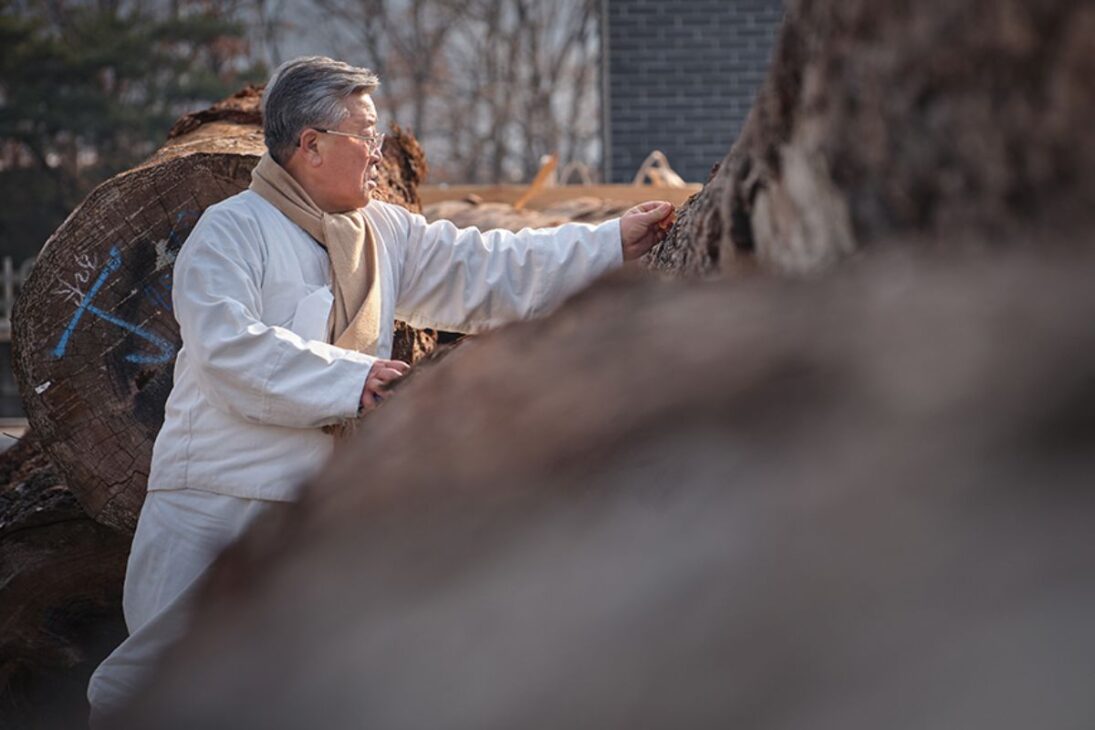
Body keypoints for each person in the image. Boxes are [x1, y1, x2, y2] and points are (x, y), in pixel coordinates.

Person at [86, 56, 675, 724]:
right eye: (365, 134)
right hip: (217, 507)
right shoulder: (230, 231)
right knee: (166, 689)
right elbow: (230, 350)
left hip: (316, 514)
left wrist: (608, 244)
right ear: (309, 146)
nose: (377, 151)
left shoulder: (383, 234)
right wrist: (354, 378)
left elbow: (490, 268)